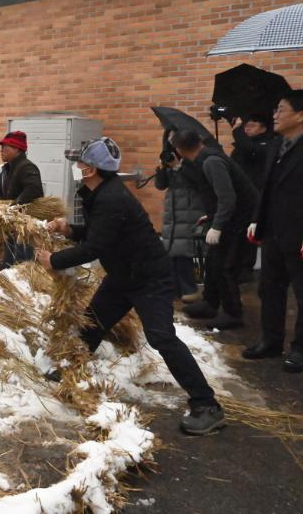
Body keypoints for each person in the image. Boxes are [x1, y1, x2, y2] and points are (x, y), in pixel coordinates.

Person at [37, 137, 225, 436]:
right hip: (124, 274)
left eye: (80, 162)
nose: (76, 166)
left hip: (149, 278)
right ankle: (73, 370)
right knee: (93, 323)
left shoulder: (111, 198)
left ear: (90, 170)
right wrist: (69, 229)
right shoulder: (98, 193)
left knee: (162, 337)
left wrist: (54, 260)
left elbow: (95, 246)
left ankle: (207, 405)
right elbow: (101, 235)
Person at [243, 90, 303, 372]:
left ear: (301, 115)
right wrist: (257, 219)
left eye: (281, 109)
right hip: (274, 233)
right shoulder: (277, 145)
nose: (274, 115)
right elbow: (267, 188)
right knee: (269, 289)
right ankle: (271, 340)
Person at [172, 130, 258, 330]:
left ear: (179, 150)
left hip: (238, 221)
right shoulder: (204, 159)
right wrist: (211, 216)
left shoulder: (211, 162)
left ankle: (232, 313)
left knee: (226, 267)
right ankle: (210, 303)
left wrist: (217, 225)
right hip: (228, 218)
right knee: (213, 263)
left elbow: (228, 198)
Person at [155, 144, 206, 302]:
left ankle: (189, 289)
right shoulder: (170, 162)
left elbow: (198, 181)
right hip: (173, 211)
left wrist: (178, 166)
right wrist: (162, 168)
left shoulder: (195, 162)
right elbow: (160, 185)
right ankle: (175, 290)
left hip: (189, 210)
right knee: (171, 251)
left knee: (185, 252)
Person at [230, 114, 275, 275]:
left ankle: (246, 268)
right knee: (238, 233)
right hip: (239, 196)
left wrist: (237, 131)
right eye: (245, 126)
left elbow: (251, 150)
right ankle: (235, 266)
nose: (246, 128)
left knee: (250, 233)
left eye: (252, 125)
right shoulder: (241, 146)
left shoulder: (268, 143)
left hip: (256, 195)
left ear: (263, 128)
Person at [0, 130, 43, 265]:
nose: (1, 151)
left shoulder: (26, 167)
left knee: (22, 264)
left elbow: (34, 189)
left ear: (16, 149)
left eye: (5, 148)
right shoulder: (7, 169)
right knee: (9, 263)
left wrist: (14, 206)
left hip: (24, 227)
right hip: (12, 225)